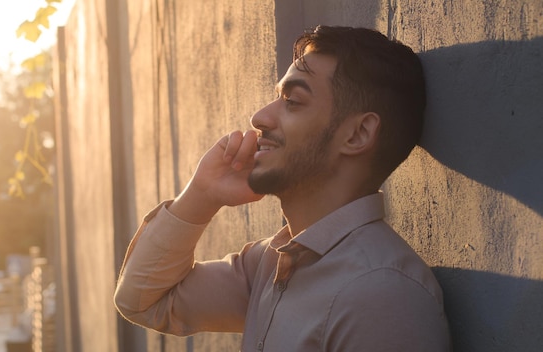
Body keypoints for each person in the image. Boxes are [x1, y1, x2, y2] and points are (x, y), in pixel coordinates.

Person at [114, 25, 451, 351]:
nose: (259, 117)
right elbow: (144, 301)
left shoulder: (381, 295)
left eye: (293, 100)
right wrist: (202, 194)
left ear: (358, 134)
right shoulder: (271, 262)